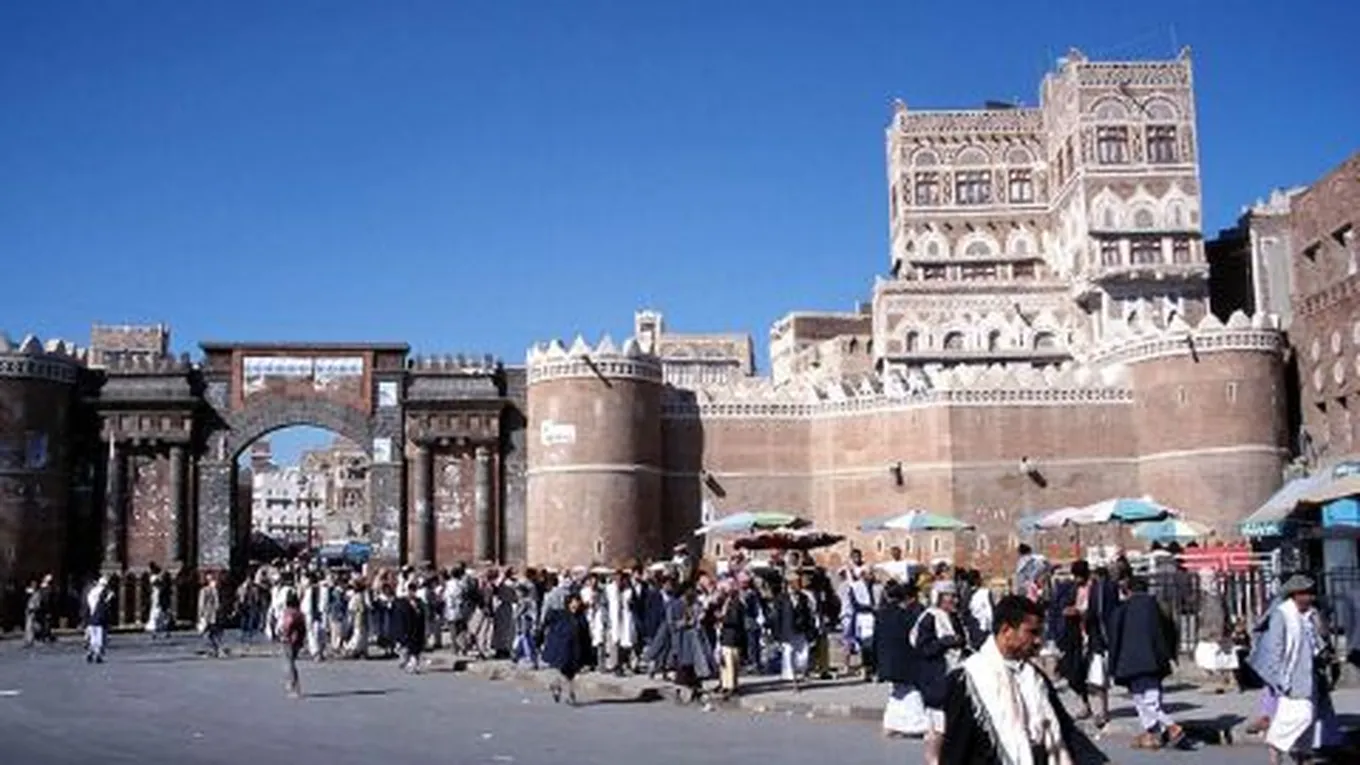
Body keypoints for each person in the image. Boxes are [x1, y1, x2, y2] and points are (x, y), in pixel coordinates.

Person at [941, 595, 1107, 765]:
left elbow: (1064, 727)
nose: (1038, 640)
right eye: (1032, 632)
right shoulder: (969, 678)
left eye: (1040, 633)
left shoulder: (1035, 676)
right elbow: (955, 750)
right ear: (1006, 630)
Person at [1248, 574, 1343, 764]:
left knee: (1300, 716)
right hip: (1292, 674)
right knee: (1303, 715)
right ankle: (1276, 743)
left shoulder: (1309, 615)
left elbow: (1317, 641)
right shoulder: (1282, 615)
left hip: (1310, 672)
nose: (1310, 597)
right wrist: (1279, 678)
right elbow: (1275, 649)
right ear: (1295, 595)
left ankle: (1299, 754)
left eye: (1311, 594)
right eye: (1305, 594)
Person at [1108, 576, 1184, 749]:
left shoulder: (1123, 610)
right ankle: (1153, 733)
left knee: (1142, 699)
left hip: (1130, 661)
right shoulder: (1158, 607)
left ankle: (1171, 726)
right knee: (1151, 698)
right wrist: (1171, 655)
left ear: (1128, 591)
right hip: (1155, 660)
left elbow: (1114, 637)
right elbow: (1171, 630)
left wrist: (1113, 665)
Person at [542, 592, 591, 705]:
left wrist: (588, 654)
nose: (575, 605)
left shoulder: (581, 618)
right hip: (562, 649)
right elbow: (548, 624)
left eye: (577, 603)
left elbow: (586, 636)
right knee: (564, 671)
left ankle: (559, 687)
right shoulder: (561, 616)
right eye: (573, 603)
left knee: (571, 673)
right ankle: (568, 692)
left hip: (576, 650)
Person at [279, 592, 307, 697]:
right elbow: (304, 628)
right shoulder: (300, 613)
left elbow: (288, 624)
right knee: (291, 661)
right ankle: (292, 684)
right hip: (298, 640)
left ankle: (294, 685)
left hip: (289, 640)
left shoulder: (289, 613)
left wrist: (285, 634)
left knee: (290, 663)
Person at [82, 575, 113, 664]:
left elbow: (88, 604)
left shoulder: (92, 592)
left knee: (93, 638)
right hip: (100, 619)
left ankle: (91, 652)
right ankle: (97, 654)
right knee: (100, 638)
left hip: (92, 618)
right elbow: (104, 605)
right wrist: (108, 598)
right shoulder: (103, 593)